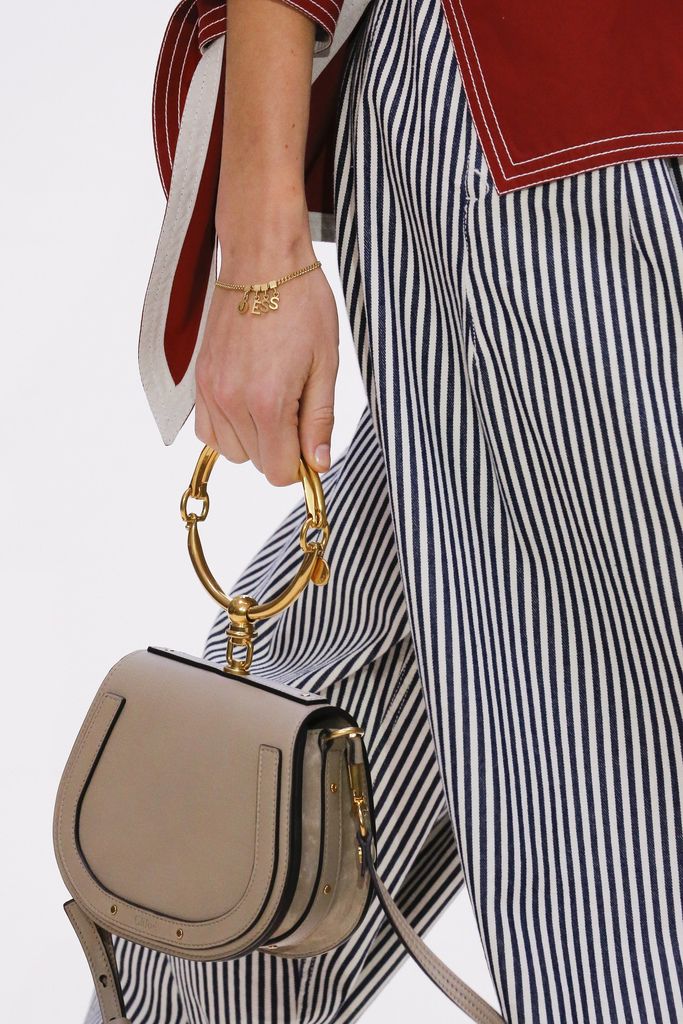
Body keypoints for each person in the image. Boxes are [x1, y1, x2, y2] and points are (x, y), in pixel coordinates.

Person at [88, 0, 683, 1021]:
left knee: (406, 636)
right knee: (601, 756)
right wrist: (260, 256)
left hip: (574, 126)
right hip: (555, 118)